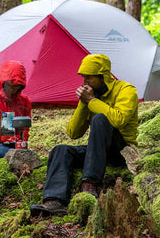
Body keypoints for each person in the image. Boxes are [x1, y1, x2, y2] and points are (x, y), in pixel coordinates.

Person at [30, 54, 138, 216]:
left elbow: (119, 120)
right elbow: (73, 133)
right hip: (98, 151)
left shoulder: (126, 90)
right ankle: (54, 201)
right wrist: (84, 102)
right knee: (61, 150)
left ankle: (89, 184)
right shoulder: (91, 95)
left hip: (121, 151)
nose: (85, 83)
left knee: (101, 119)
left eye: (89, 78)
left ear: (104, 77)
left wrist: (92, 101)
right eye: (83, 78)